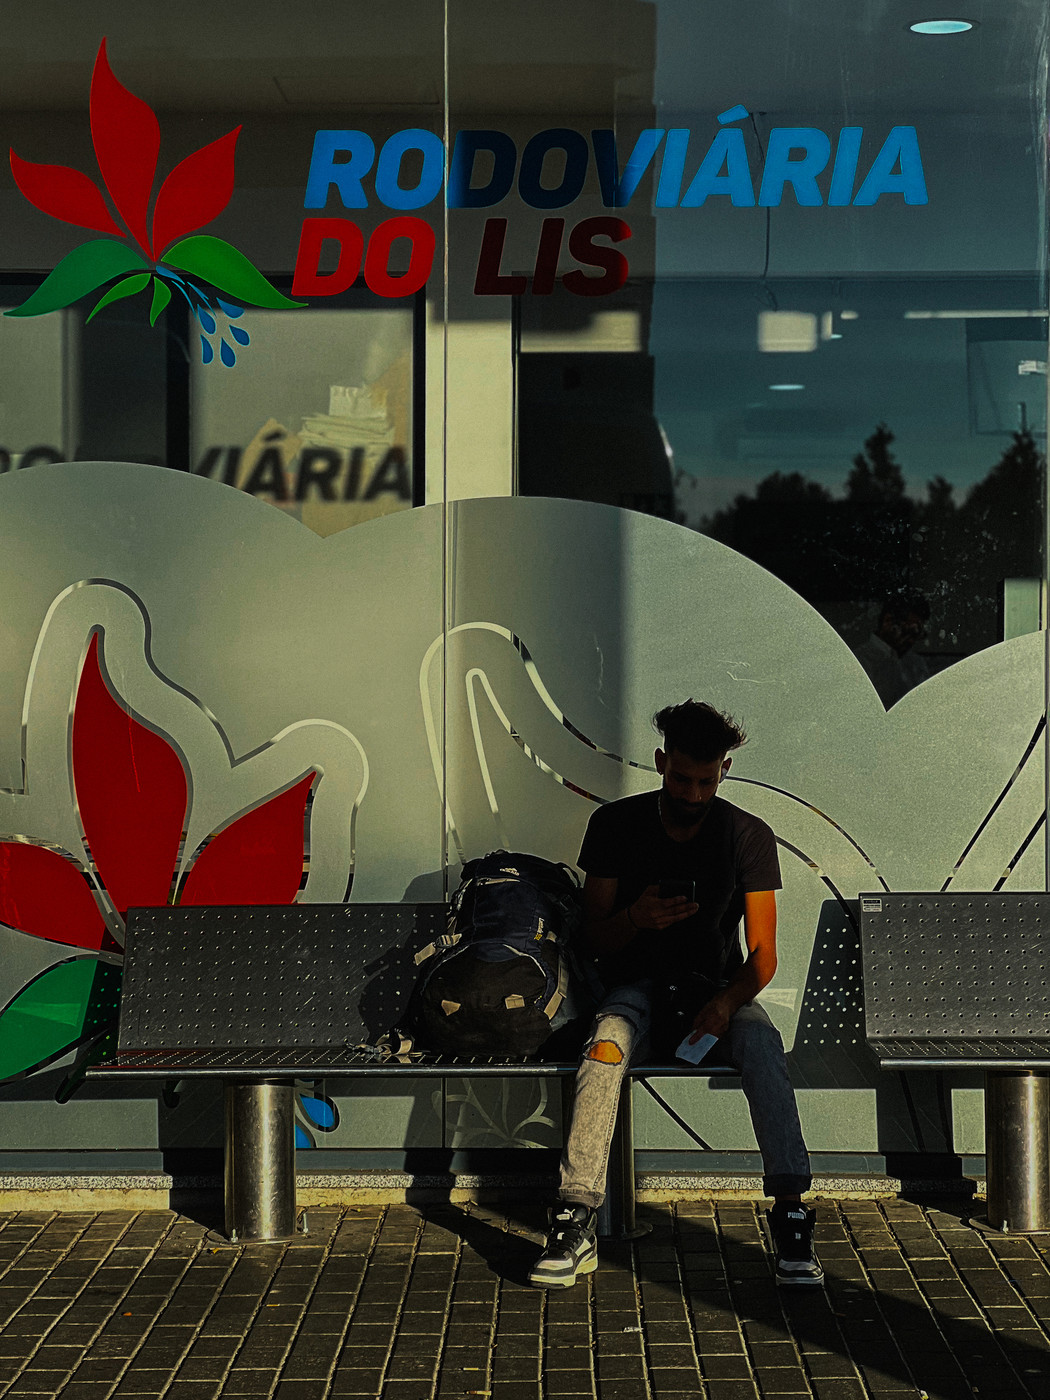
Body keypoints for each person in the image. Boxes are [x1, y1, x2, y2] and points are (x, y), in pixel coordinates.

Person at [528, 700, 822, 1289]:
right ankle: (575, 1214)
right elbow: (592, 939)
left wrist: (726, 1002)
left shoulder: (746, 835)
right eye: (681, 778)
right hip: (633, 989)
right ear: (661, 762)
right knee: (606, 1045)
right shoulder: (616, 825)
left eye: (705, 781)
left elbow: (763, 956)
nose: (692, 793)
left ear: (725, 771)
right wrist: (637, 917)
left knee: (763, 1047)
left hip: (716, 991)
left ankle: (790, 1212)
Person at [854, 591, 931, 707]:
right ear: (888, 621)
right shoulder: (859, 662)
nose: (911, 641)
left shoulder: (917, 664)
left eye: (917, 635)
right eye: (908, 631)